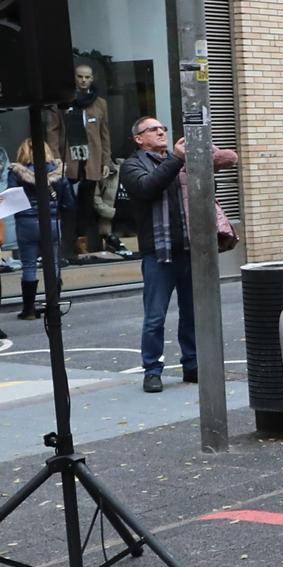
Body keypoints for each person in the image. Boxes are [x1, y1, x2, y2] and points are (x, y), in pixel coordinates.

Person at [120, 117, 194, 393]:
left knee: (192, 313)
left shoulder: (178, 161)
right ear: (139, 138)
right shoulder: (132, 165)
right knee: (155, 317)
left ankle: (193, 364)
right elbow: (147, 187)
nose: (161, 131)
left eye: (163, 128)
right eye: (153, 129)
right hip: (157, 254)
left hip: (187, 249)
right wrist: (176, 159)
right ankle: (152, 370)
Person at [46, 64, 113, 255]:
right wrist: (56, 159)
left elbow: (104, 134)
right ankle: (65, 246)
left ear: (92, 79)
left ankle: (84, 245)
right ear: (74, 78)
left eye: (87, 77)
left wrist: (106, 161)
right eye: (80, 76)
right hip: (68, 161)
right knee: (66, 204)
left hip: (91, 161)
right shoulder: (61, 101)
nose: (83, 80)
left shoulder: (100, 103)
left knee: (87, 205)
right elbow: (52, 132)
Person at [8, 139, 75, 320]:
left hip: (26, 224)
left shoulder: (15, 173)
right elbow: (69, 203)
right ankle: (53, 307)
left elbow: (11, 198)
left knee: (29, 266)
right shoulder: (58, 172)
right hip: (52, 223)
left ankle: (28, 310)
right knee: (53, 265)